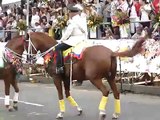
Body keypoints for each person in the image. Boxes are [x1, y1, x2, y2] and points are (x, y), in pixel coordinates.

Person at [55, 4, 87, 74]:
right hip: (83, 38)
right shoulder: (82, 19)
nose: (69, 14)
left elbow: (68, 33)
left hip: (75, 39)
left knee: (58, 48)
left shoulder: (73, 21)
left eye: (69, 13)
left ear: (72, 13)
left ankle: (60, 67)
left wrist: (61, 40)